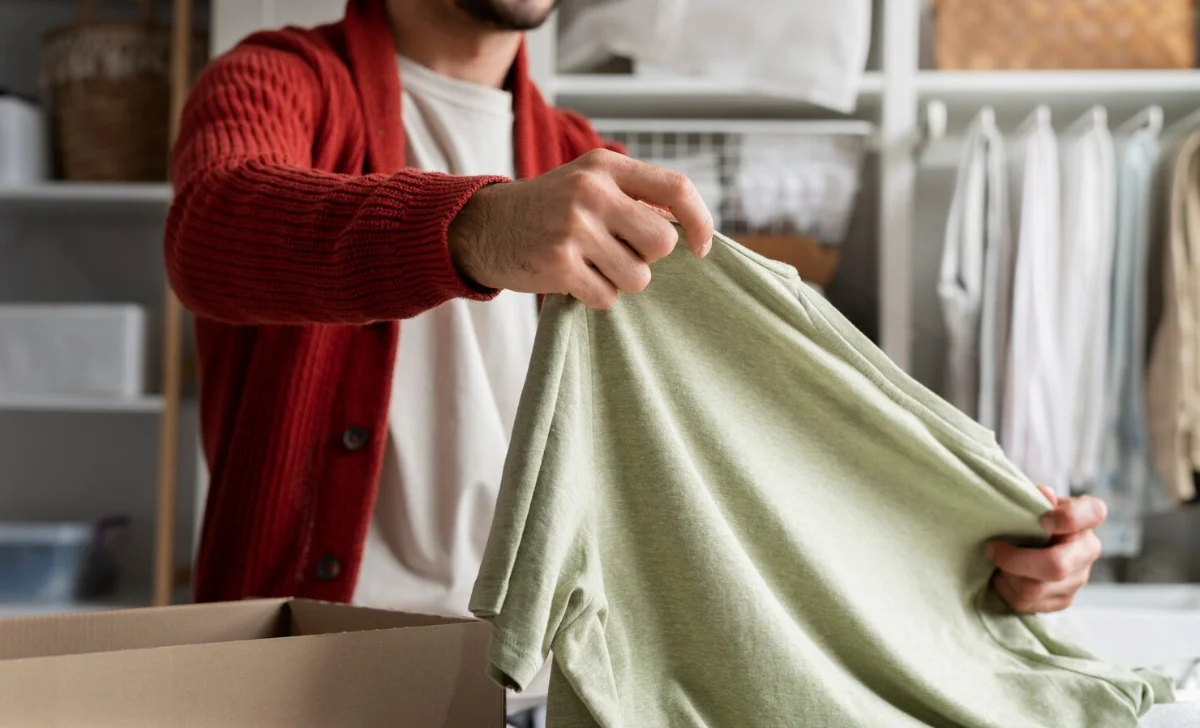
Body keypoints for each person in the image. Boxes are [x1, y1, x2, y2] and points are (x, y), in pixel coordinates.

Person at [167, 0, 1105, 628]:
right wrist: (476, 229)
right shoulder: (280, 81)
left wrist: (976, 549)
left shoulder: (585, 159)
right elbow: (213, 231)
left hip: (543, 683)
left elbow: (742, 446)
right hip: (297, 672)